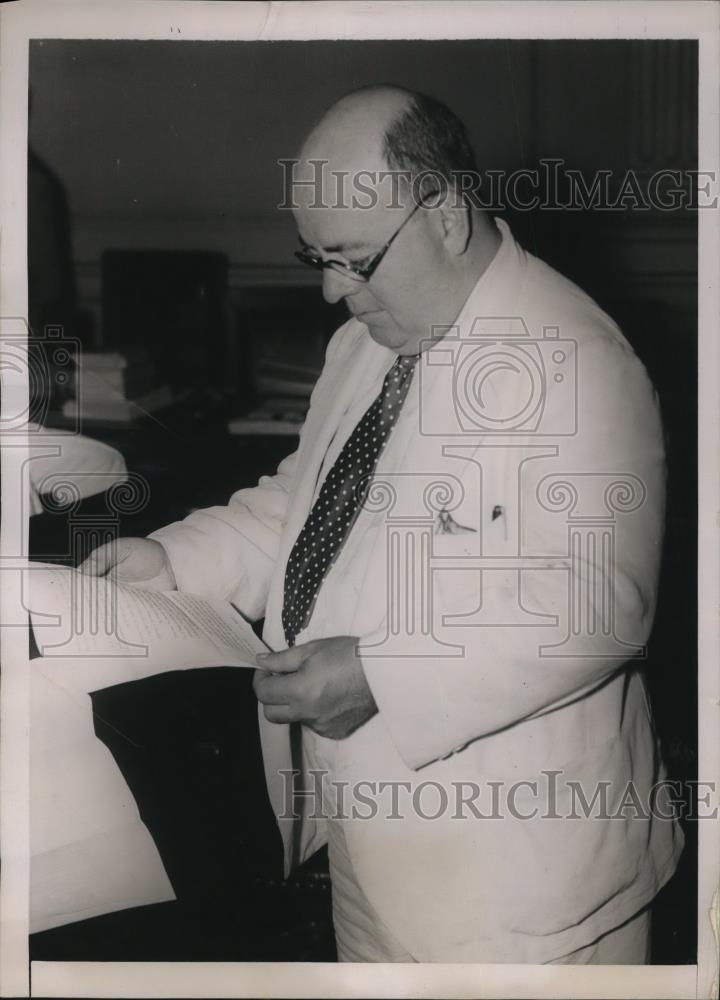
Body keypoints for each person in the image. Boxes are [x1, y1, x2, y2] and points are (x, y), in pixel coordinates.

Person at [81, 86, 683, 963]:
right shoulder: (370, 341)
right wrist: (169, 562)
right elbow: (307, 505)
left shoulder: (579, 358)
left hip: (524, 887)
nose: (332, 291)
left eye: (353, 259)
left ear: (443, 214)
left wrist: (379, 672)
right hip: (371, 850)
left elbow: (599, 601)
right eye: (315, 257)